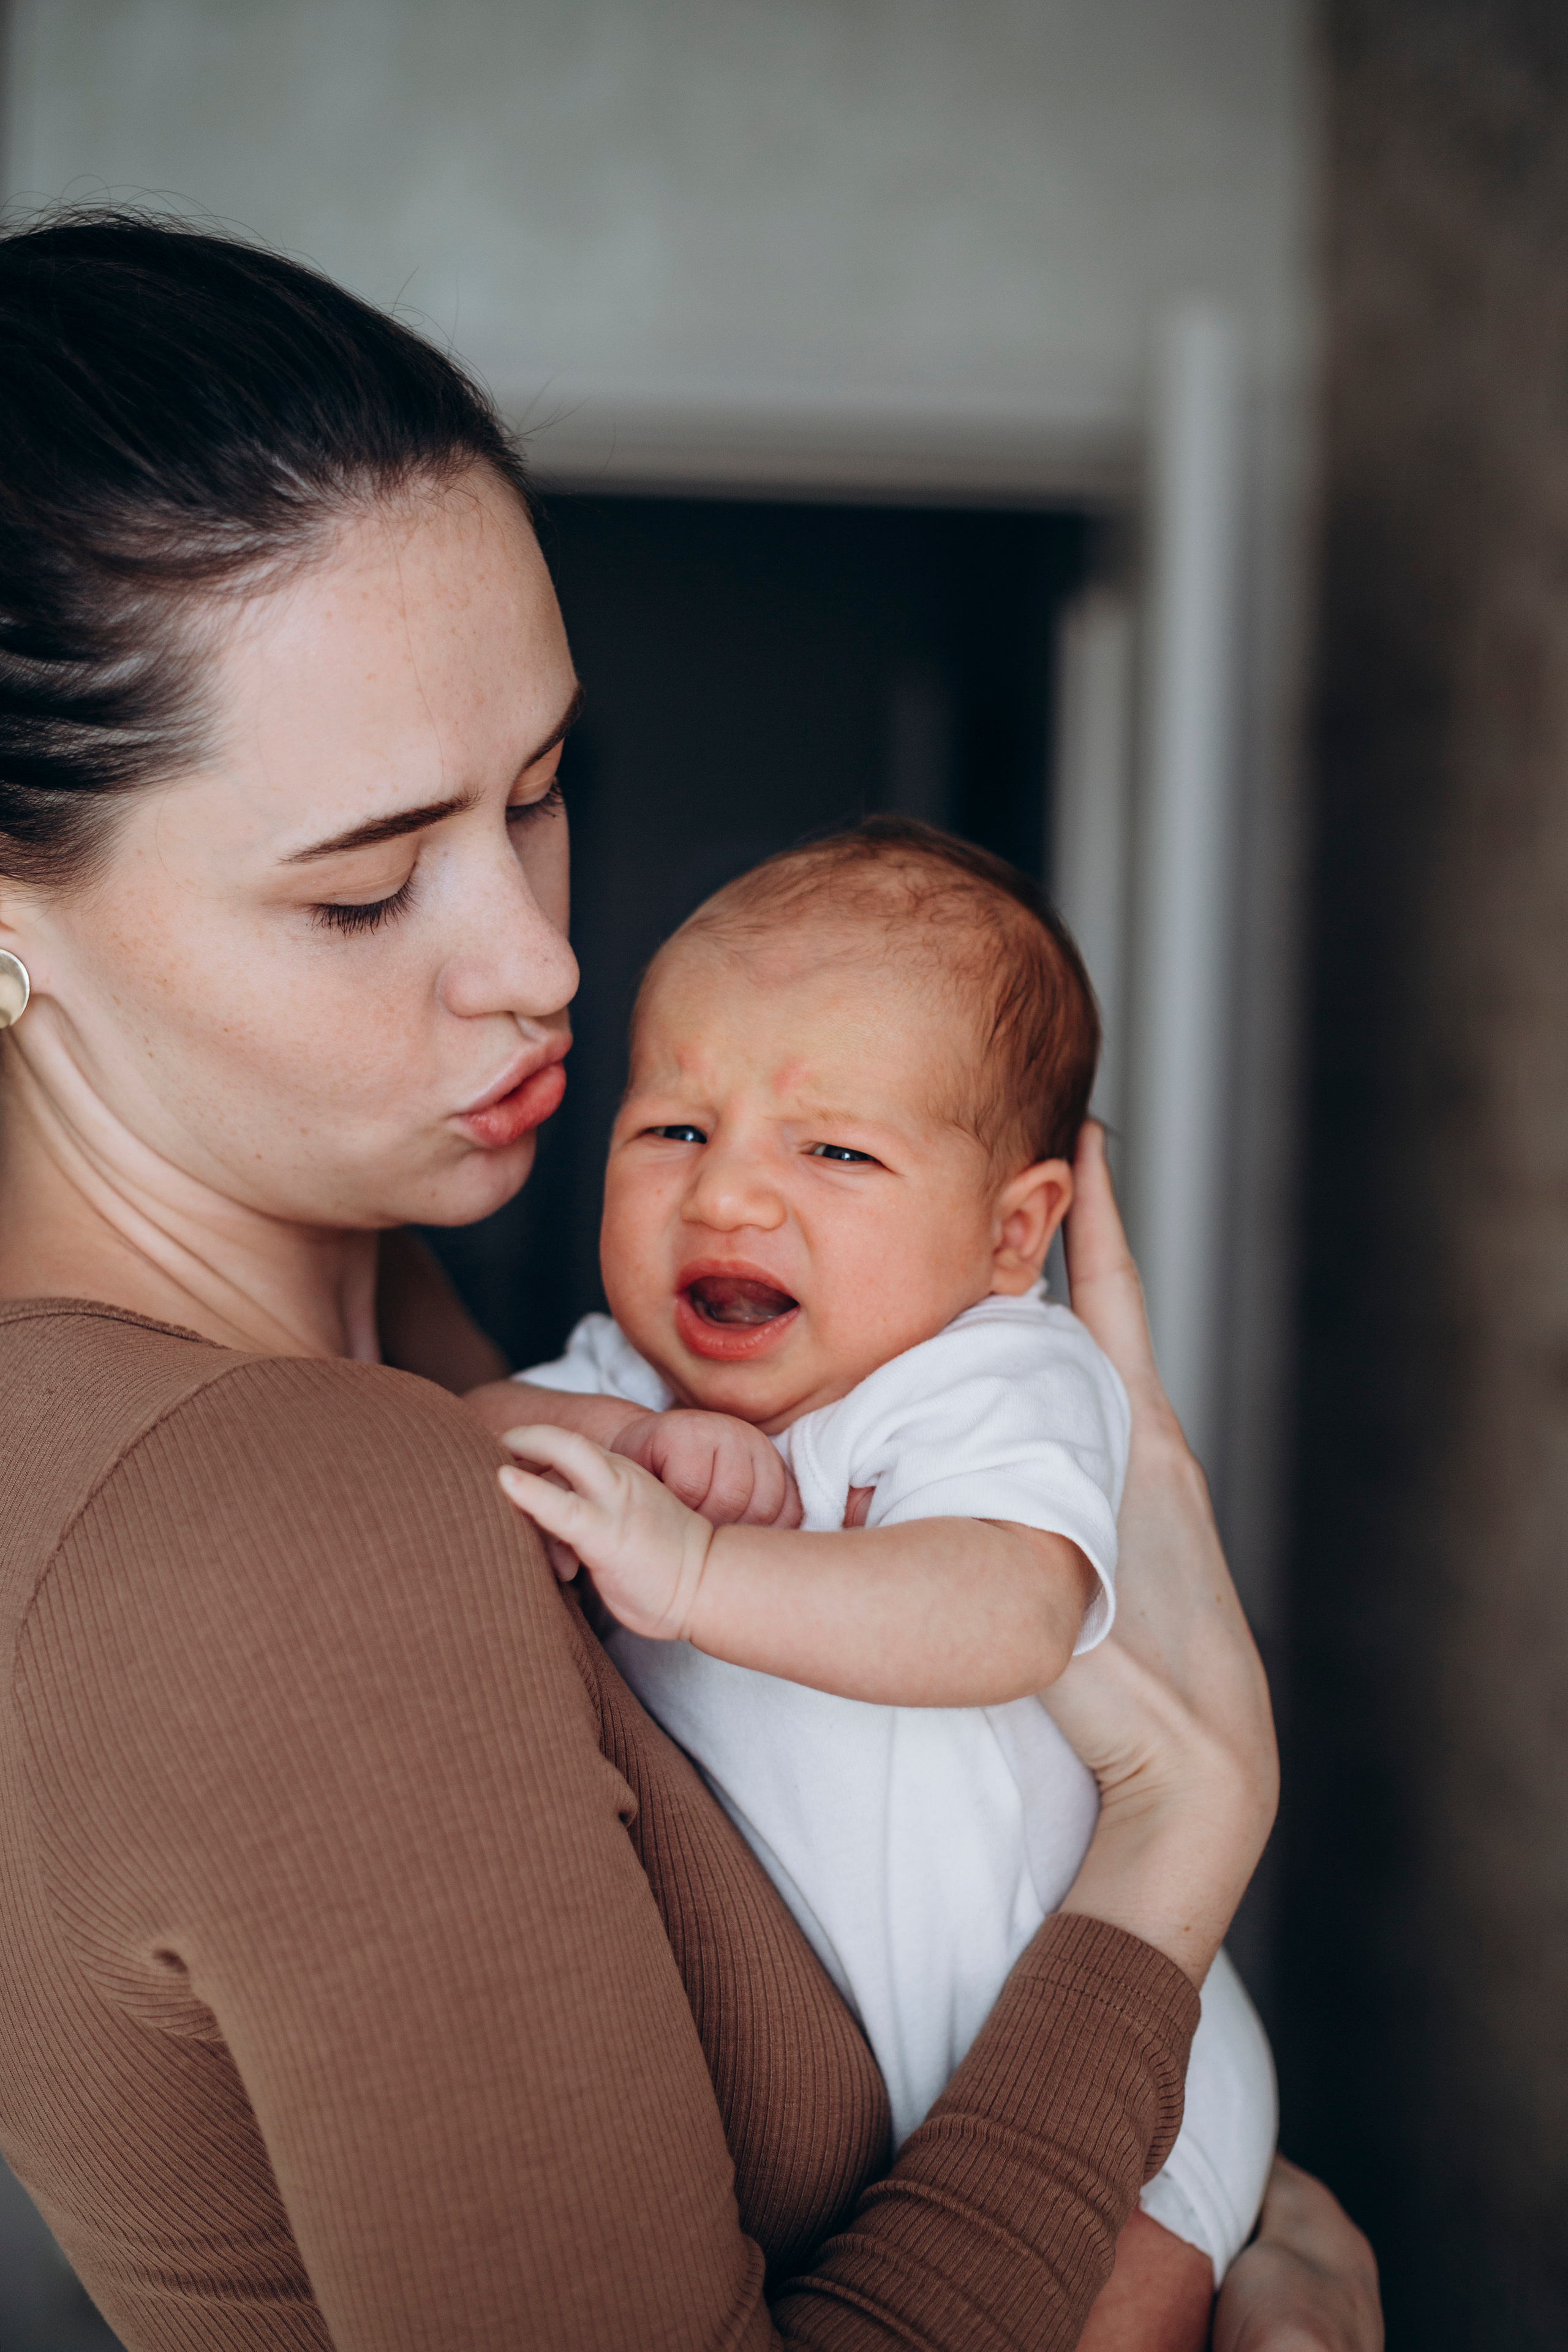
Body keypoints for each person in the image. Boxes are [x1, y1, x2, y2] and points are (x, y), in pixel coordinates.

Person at [0, 209, 1376, 2350]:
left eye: (544, 794)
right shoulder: (278, 1516)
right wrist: (1185, 1834)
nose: (545, 963)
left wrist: (1239, 2193)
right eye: (366, 891)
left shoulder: (420, 1335)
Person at [481, 819, 1276, 2284]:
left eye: (835, 1149)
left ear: (1012, 1233)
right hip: (862, 2124)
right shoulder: (625, 1376)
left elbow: (1012, 1608)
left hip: (1115, 2086)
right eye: (673, 1131)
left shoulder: (986, 1375)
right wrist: (614, 1436)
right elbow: (464, 1445)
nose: (726, 1195)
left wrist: (702, 1575)